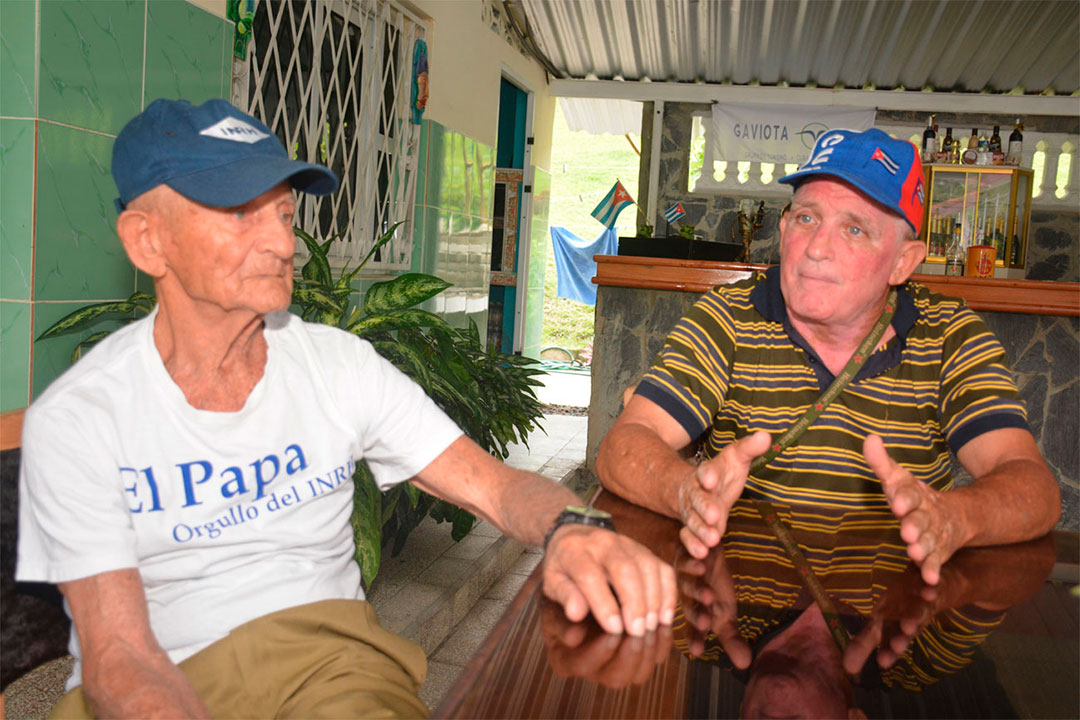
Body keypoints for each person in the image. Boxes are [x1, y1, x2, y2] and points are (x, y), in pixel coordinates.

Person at [16, 99, 676, 719]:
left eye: (282, 212)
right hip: (157, 684)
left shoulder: (336, 367)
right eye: (240, 213)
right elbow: (118, 654)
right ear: (147, 241)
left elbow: (496, 489)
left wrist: (575, 529)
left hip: (327, 669)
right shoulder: (83, 418)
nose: (280, 243)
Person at [597, 127, 1060, 587]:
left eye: (854, 230)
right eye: (806, 219)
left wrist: (955, 517)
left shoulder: (949, 336)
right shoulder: (727, 318)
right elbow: (625, 444)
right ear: (783, 227)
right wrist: (685, 491)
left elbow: (1032, 487)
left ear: (904, 261)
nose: (816, 248)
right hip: (740, 606)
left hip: (895, 619)